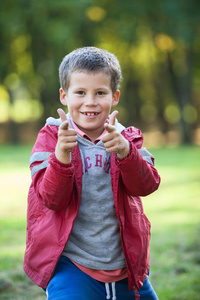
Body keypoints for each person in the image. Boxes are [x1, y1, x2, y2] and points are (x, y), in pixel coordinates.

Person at [23, 46, 161, 300]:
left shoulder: (127, 138)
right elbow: (51, 199)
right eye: (80, 92)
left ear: (114, 96)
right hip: (71, 264)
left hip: (126, 266)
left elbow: (147, 185)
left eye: (100, 92)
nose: (90, 102)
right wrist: (61, 156)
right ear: (64, 96)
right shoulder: (51, 138)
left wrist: (125, 152)